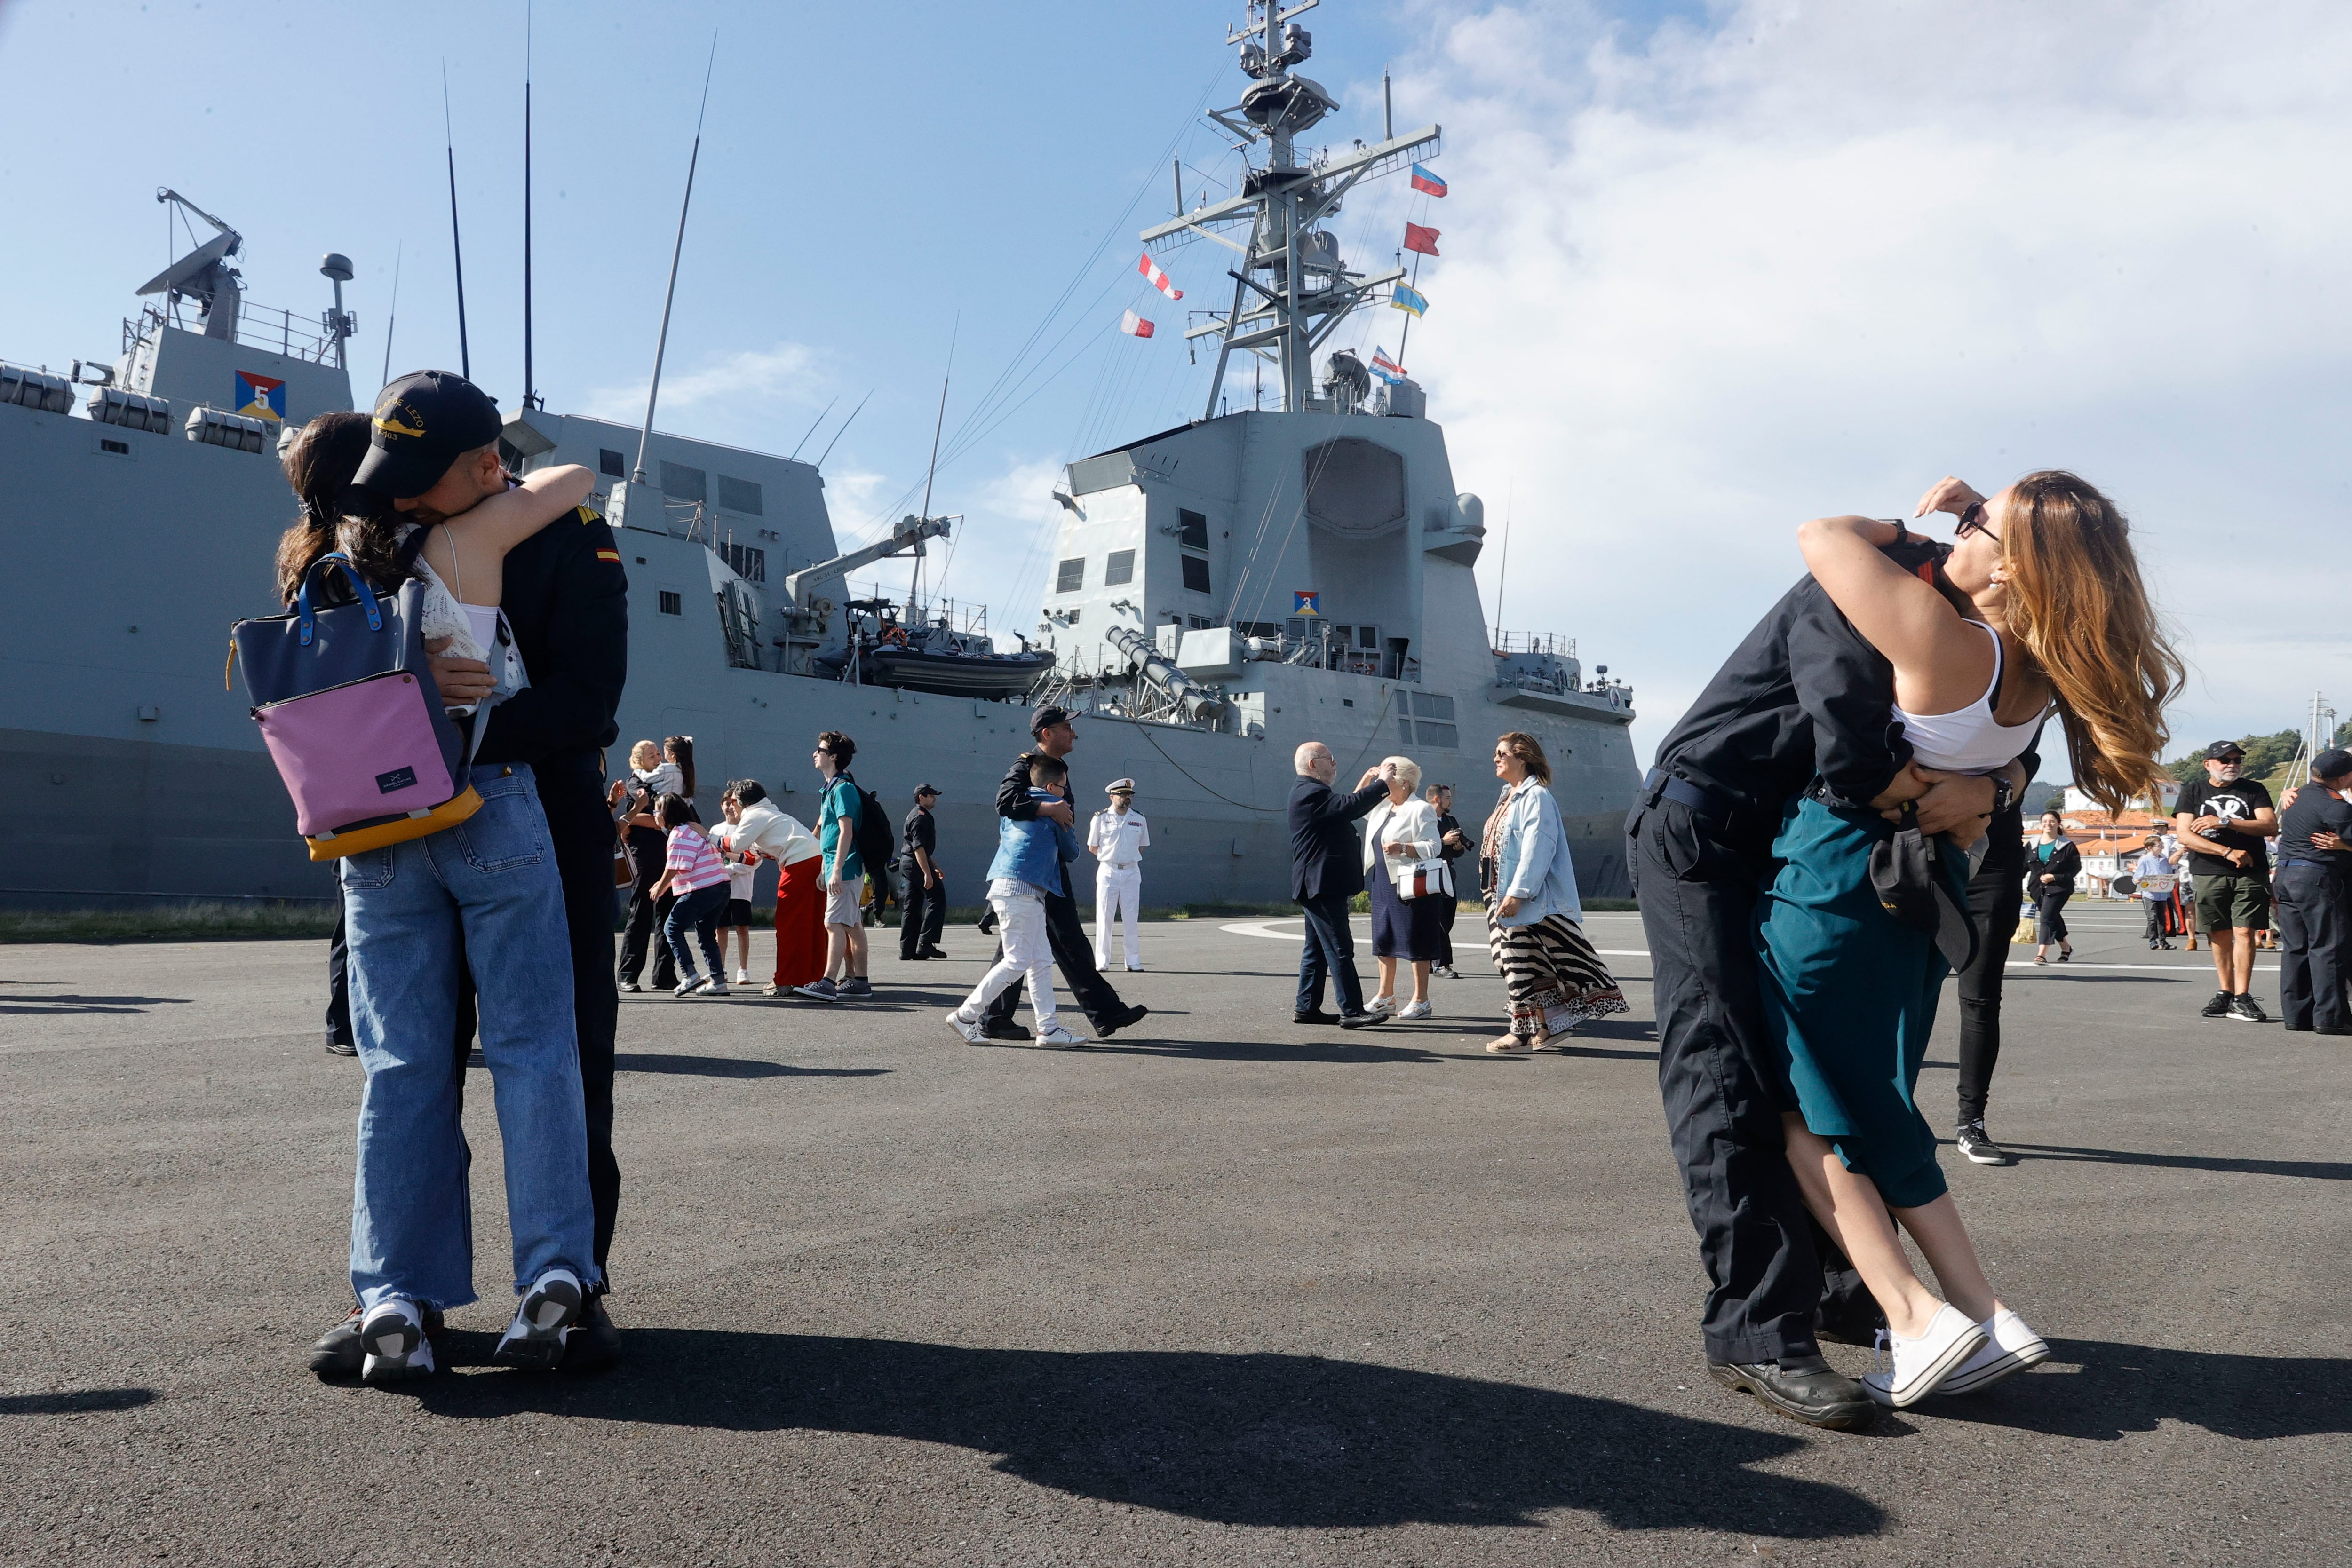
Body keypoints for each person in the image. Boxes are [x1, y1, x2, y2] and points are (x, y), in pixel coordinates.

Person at [1756, 470, 2179, 1409]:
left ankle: (1917, 1319)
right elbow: (2033, 564)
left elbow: (1821, 532)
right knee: (1876, 1092)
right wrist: (1984, 516)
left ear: (2014, 563)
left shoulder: (1944, 640)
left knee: (1800, 1102)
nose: (1963, 529)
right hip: (1925, 885)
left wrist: (1905, 520)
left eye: (1981, 524)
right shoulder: (2033, 667)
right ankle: (1982, 1306)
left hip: (1838, 875)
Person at [1634, 488, 2042, 1429]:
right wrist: (1969, 793)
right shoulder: (1866, 587)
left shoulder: (1970, 622)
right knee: (1724, 1073)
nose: (1961, 531)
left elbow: (2016, 721)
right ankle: (1753, 1330)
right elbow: (1852, 757)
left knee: (1803, 1071)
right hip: (1704, 825)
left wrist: (1996, 780)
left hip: (1791, 839)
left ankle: (1844, 1282)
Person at [317, 368, 615, 1381]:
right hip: (491, 795)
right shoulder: (476, 534)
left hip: (375, 820)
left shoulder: (347, 555)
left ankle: (393, 1295)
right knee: (538, 1049)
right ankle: (557, 1275)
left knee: (399, 1063)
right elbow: (573, 476)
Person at [275, 411, 376, 1061]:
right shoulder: (362, 551)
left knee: (356, 893)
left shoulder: (303, 552)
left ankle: (344, 1019)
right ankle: (357, 1020)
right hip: (386, 742)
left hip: (335, 751)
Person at [983, 706, 1150, 1040]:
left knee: (1051, 945)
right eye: (1067, 728)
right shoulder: (1025, 766)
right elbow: (1004, 801)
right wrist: (1048, 807)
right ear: (1047, 733)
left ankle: (1102, 1013)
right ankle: (989, 1017)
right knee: (1046, 946)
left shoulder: (1058, 770)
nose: (1074, 734)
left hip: (1049, 872)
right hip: (1034, 875)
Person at [1480, 733, 1627, 1052]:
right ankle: (1548, 1028)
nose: (1495, 758)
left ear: (1522, 758)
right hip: (1498, 893)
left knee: (1516, 962)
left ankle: (1520, 1031)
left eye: (1501, 753)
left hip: (1520, 896)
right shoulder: (1509, 795)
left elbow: (1538, 846)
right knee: (1529, 962)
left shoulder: (1536, 797)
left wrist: (1519, 892)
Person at [945, 754, 1087, 1047]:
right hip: (1024, 890)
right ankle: (965, 1015)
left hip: (1007, 885)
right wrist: (1065, 817)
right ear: (1052, 787)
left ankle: (1048, 1029)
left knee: (1039, 960)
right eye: (1063, 787)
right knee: (1018, 960)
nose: (1066, 794)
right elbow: (1072, 852)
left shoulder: (1014, 809)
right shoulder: (1056, 810)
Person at [1288, 742, 1388, 1029]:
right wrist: (1384, 783)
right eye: (1329, 759)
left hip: (1318, 884)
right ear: (1312, 765)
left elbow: (1345, 808)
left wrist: (1368, 783)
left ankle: (1306, 1007)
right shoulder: (1310, 793)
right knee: (1340, 948)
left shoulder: (1312, 793)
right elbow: (1351, 807)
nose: (1334, 763)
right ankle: (1352, 1010)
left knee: (1317, 949)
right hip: (1322, 885)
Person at [2176, 740, 2278, 1022]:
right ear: (2208, 764)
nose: (2232, 765)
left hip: (2250, 872)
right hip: (2208, 871)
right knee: (2219, 935)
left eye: (2236, 760)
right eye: (2225, 760)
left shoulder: (2253, 789)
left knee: (2245, 932)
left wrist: (2225, 821)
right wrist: (2227, 851)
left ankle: (2243, 997)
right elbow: (2184, 835)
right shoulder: (2193, 791)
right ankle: (2226, 992)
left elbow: (2270, 826)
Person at [2272, 748, 2352, 1034]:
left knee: (2296, 948)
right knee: (2328, 946)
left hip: (2286, 875)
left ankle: (2296, 1015)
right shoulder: (2336, 806)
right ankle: (2331, 1018)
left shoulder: (2295, 797)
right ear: (2343, 777)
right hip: (2316, 877)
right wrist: (2345, 846)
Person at [1361, 756, 1446, 1019]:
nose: (1383, 784)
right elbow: (1357, 807)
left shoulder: (1421, 809)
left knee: (1415, 939)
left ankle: (1421, 1000)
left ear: (1405, 784)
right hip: (1383, 881)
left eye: (1389, 780)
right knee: (1384, 939)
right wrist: (1367, 780)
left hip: (1411, 886)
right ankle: (1385, 996)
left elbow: (1435, 846)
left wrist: (1405, 848)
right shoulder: (1383, 807)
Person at [614, 737, 694, 993]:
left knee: (669, 913)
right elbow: (637, 815)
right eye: (651, 756)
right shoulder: (635, 781)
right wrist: (656, 819)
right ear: (639, 761)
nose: (658, 758)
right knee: (641, 912)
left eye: (659, 753)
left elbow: (676, 815)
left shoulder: (673, 780)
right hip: (645, 853)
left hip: (669, 853)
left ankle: (664, 975)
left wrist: (653, 819)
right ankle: (627, 974)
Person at [797, 731, 871, 1002]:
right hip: (840, 865)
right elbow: (827, 833)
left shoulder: (842, 789)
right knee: (852, 923)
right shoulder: (832, 788)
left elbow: (845, 832)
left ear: (834, 756)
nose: (815, 753)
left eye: (820, 749)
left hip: (847, 866)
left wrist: (836, 868)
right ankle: (860, 982)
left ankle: (828, 982)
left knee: (834, 922)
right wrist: (826, 868)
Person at [647, 794, 730, 996]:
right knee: (706, 934)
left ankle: (690, 975)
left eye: (657, 811)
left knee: (672, 928)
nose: (655, 816)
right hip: (720, 886)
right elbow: (683, 864)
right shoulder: (691, 829)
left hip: (703, 889)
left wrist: (661, 887)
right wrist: (662, 883)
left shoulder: (680, 833)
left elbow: (676, 866)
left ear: (666, 813)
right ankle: (718, 981)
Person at [1088, 778, 1150, 971]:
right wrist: (1111, 859)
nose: (1127, 798)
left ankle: (1133, 961)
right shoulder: (1100, 818)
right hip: (1108, 871)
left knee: (1131, 918)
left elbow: (1141, 846)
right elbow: (1093, 847)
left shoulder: (1140, 819)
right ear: (1112, 797)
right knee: (1105, 918)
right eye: (1123, 795)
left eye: (1129, 795)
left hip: (1131, 872)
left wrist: (1126, 859)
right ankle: (1102, 961)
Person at [710, 788, 761, 984]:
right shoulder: (716, 830)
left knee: (742, 928)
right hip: (720, 888)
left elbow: (754, 860)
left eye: (734, 803)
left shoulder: (748, 828)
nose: (730, 807)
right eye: (727, 803)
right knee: (720, 929)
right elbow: (712, 858)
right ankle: (720, 969)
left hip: (741, 889)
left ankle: (743, 969)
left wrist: (731, 870)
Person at [899, 784, 949, 962]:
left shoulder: (916, 814)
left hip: (910, 863)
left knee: (912, 906)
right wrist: (927, 873)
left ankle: (907, 950)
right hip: (916, 864)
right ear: (922, 797)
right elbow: (918, 848)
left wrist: (934, 865)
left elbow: (921, 849)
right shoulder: (920, 818)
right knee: (938, 899)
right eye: (932, 796)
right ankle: (926, 943)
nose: (935, 799)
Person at [2027, 810, 2082, 965]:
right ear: (2041, 824)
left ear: (2058, 823)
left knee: (2046, 917)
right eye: (2045, 821)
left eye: (2052, 821)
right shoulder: (2032, 843)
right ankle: (2066, 948)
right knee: (2052, 917)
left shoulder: (2067, 846)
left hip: (2060, 888)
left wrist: (2055, 877)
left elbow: (2075, 869)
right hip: (2037, 889)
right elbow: (2023, 866)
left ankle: (2041, 954)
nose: (2048, 824)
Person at [1428, 784, 1467, 979]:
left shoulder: (1450, 820)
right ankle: (1442, 964)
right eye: (1448, 798)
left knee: (1449, 915)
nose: (1451, 801)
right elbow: (1421, 844)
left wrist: (1458, 847)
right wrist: (1443, 842)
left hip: (1447, 872)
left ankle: (1429, 956)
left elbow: (1457, 853)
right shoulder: (1425, 820)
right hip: (1431, 872)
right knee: (1439, 919)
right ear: (1437, 799)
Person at [2132, 839, 2178, 951]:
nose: (2162, 847)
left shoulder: (2164, 860)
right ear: (2150, 848)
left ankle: (2164, 941)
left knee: (2162, 918)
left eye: (2162, 845)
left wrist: (2173, 879)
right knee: (2152, 917)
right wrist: (2136, 880)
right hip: (2150, 893)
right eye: (2159, 845)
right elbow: (2138, 875)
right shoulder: (2145, 860)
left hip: (2162, 893)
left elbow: (2169, 873)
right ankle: (2153, 941)